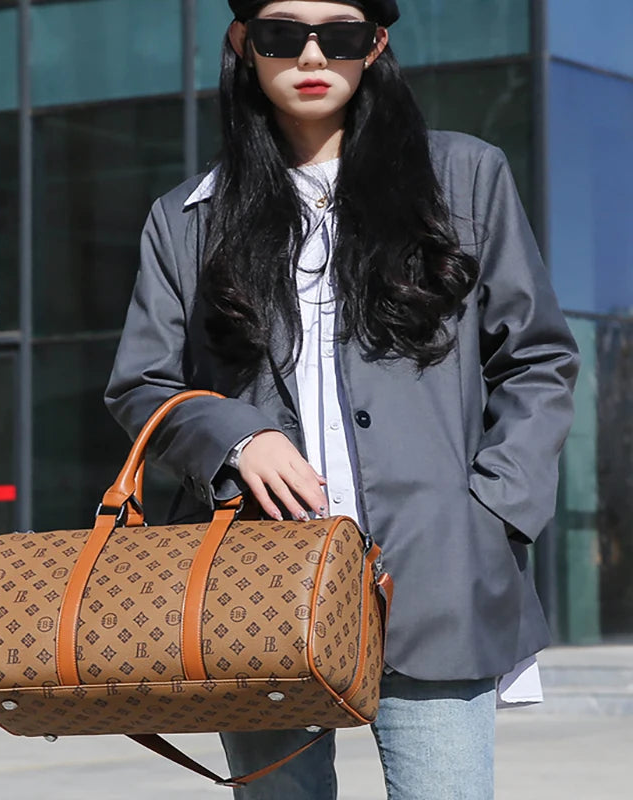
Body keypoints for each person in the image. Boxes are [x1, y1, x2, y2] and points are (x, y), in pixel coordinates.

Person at [105, 1, 579, 797]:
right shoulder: (187, 218)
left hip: (435, 572)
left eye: (342, 34)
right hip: (256, 586)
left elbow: (536, 357)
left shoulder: (464, 177)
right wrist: (236, 437)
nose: (312, 55)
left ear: (376, 43)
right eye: (283, 34)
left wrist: (494, 512)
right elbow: (142, 383)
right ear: (243, 44)